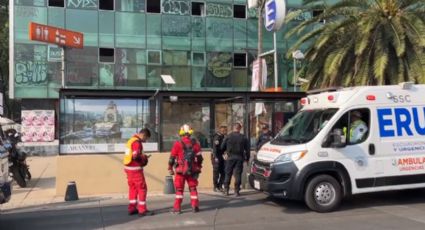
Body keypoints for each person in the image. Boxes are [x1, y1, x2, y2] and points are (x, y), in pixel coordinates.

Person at [168, 124, 203, 214]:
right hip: (192, 170)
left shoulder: (177, 143)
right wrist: (198, 166)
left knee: (179, 190)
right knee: (193, 188)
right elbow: (200, 158)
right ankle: (195, 207)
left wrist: (170, 168)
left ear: (181, 133)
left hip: (180, 170)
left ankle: (177, 208)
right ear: (190, 133)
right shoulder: (196, 144)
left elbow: (172, 158)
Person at [123, 128, 154, 217]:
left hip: (128, 168)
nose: (145, 141)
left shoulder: (131, 140)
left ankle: (132, 208)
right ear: (143, 135)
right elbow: (136, 156)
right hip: (135, 169)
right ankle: (142, 210)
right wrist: (144, 159)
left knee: (133, 188)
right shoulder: (137, 143)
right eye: (146, 138)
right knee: (142, 188)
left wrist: (142, 156)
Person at [221, 122, 249, 197]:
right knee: (238, 174)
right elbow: (247, 149)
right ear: (240, 128)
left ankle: (226, 190)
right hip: (239, 158)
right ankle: (236, 191)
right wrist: (247, 158)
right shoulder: (243, 137)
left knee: (228, 173)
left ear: (234, 128)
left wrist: (224, 153)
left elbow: (222, 147)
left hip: (230, 158)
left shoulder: (228, 136)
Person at [212, 124, 227, 192]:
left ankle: (220, 185)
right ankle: (215, 186)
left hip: (222, 156)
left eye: (225, 130)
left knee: (223, 172)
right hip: (217, 156)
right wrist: (215, 157)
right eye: (224, 130)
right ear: (220, 130)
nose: (225, 131)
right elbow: (215, 147)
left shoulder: (223, 137)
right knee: (216, 172)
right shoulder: (217, 137)